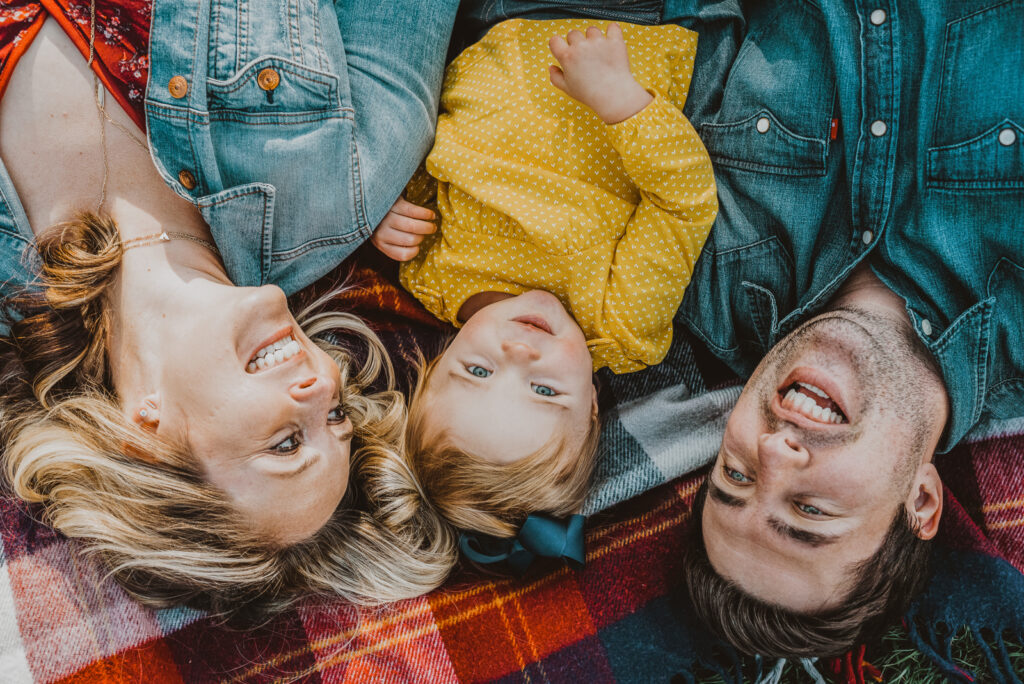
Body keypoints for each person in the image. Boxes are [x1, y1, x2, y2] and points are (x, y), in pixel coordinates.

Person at [0, 0, 460, 615]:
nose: (324, 386)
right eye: (338, 415)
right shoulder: (346, 187)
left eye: (286, 445)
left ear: (146, 442)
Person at [670, 0, 1024, 657]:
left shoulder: (698, 271)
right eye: (809, 512)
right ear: (921, 502)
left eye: (736, 476)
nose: (776, 453)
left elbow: (679, 35)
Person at [370, 19, 717, 551]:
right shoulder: (618, 326)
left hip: (497, 23)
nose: (520, 353)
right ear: (592, 407)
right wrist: (622, 102)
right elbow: (684, 205)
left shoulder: (428, 275)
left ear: (437, 363)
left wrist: (387, 210)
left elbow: (424, 162)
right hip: (629, 33)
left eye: (479, 371)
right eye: (545, 390)